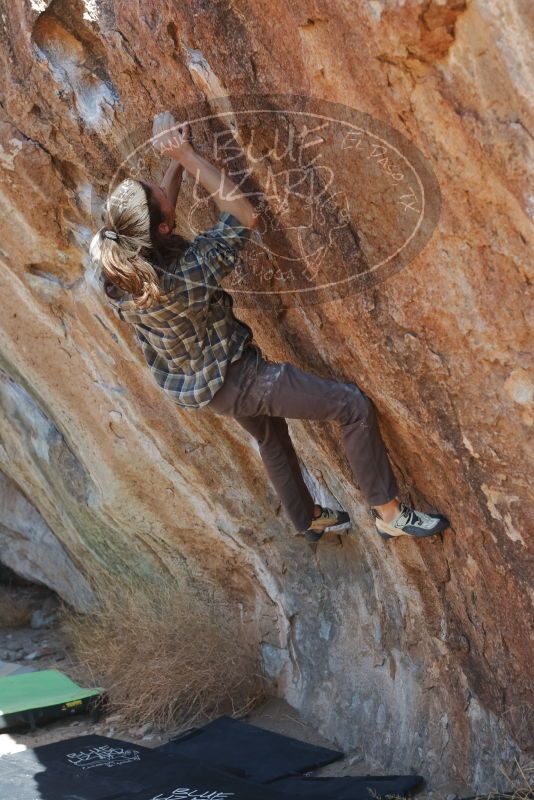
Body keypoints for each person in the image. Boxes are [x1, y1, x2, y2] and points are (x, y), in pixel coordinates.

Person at [89, 111, 450, 544]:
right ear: (164, 228)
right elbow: (243, 215)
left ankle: (307, 519)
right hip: (238, 379)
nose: (162, 189)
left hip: (201, 383)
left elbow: (158, 208)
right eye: (157, 193)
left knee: (271, 436)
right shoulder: (181, 279)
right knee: (351, 406)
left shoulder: (120, 264)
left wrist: (178, 157)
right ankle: (389, 513)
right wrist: (185, 154)